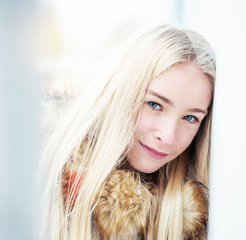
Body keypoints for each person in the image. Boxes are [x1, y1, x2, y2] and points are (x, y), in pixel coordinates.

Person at [40, 25, 216, 240]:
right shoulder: (44, 175)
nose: (168, 136)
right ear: (120, 93)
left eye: (190, 118)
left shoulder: (191, 214)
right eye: (154, 104)